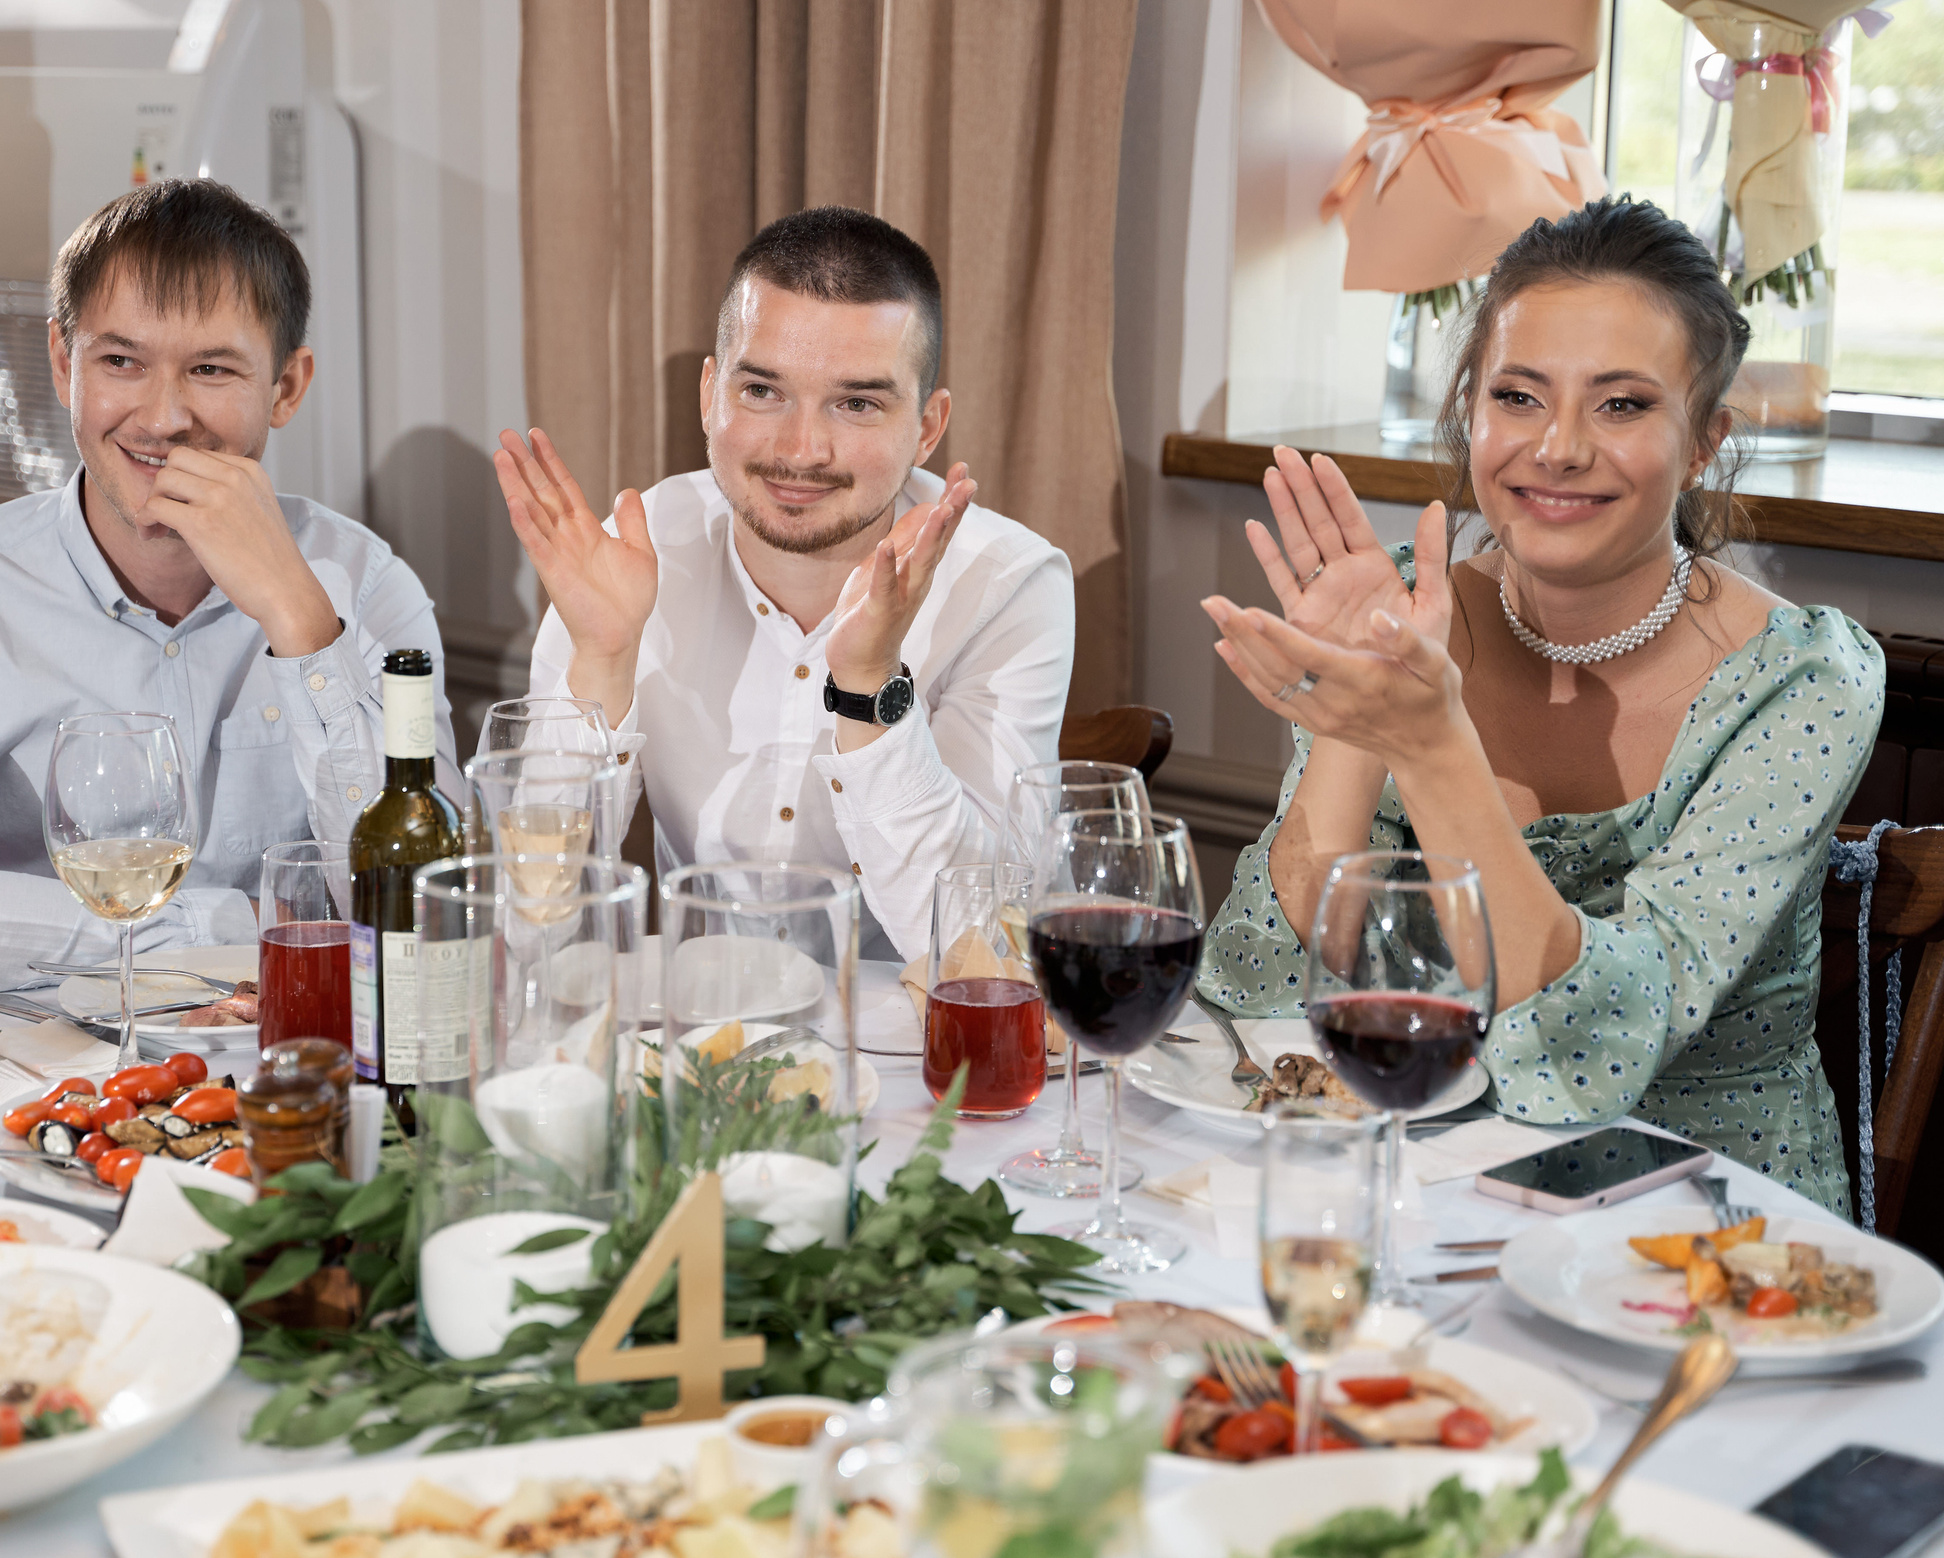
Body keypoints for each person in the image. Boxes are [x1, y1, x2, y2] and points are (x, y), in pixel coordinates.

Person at [1196, 198, 1882, 1212]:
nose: (1556, 448)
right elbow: (1259, 982)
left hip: (1710, 1225)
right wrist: (1354, 723)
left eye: (1621, 405)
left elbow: (1589, 1059)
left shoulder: (1804, 679)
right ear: (1468, 411)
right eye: (1517, 395)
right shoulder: (1397, 607)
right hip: (1418, 1176)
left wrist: (1430, 745)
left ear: (1704, 439)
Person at [0, 178, 457, 996]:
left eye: (210, 368)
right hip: (34, 1070)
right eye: (122, 361)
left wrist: (301, 619)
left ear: (286, 388)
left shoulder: (369, 582)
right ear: (66, 363)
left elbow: (428, 908)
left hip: (290, 1061)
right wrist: (243, 925)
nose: (163, 418)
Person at [499, 206, 1072, 960]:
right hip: (704, 1045)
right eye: (763, 392)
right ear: (710, 394)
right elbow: (529, 925)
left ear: (928, 428)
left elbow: (976, 951)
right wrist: (603, 662)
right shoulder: (630, 555)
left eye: (857, 403)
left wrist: (870, 689)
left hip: (926, 1055)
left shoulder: (1007, 584)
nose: (801, 451)